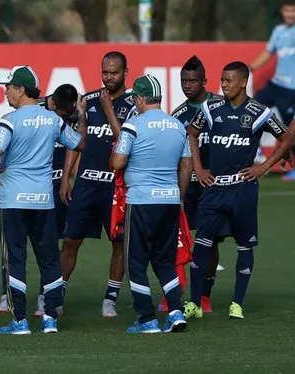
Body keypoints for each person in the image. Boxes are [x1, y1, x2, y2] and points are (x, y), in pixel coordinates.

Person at [184, 61, 293, 320]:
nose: (223, 85)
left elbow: (286, 136)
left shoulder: (258, 111)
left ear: (243, 82)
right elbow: (191, 133)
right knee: (201, 245)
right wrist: (198, 169)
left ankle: (236, 304)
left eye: (228, 80)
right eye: (221, 80)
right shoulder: (210, 108)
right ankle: (194, 304)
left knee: (244, 247)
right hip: (213, 188)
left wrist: (264, 166)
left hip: (243, 190)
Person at [0, 66, 86, 334]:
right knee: (50, 260)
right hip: (43, 200)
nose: (5, 91)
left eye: (8, 87)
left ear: (20, 90)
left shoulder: (10, 120)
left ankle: (19, 321)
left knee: (16, 260)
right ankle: (50, 318)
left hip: (14, 201)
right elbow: (77, 144)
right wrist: (83, 119)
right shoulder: (53, 120)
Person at [110, 74, 191, 333]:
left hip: (142, 200)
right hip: (169, 200)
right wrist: (179, 196)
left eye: (135, 97)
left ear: (142, 99)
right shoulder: (178, 125)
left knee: (136, 262)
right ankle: (176, 312)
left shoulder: (133, 125)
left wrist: (116, 156)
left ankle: (146, 319)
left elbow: (119, 162)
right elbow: (186, 165)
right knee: (165, 261)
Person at [59, 51, 135, 318]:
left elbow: (126, 142)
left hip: (116, 189)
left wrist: (108, 109)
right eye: (105, 72)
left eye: (114, 72)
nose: (109, 77)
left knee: (118, 243)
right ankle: (57, 295)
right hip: (86, 185)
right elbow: (76, 143)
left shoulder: (134, 105)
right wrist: (67, 177)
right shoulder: (88, 100)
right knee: (70, 240)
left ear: (126, 72)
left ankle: (111, 298)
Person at [159, 55, 228, 314]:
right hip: (187, 187)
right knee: (176, 240)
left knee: (210, 242)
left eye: (193, 80)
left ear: (204, 81)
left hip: (216, 186)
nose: (188, 85)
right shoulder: (178, 114)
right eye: (184, 81)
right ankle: (172, 295)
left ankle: (205, 296)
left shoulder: (221, 106)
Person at [250, 2, 295, 177]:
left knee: (289, 130)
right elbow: (268, 53)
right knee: (252, 108)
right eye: (287, 10)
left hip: (291, 90)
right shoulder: (278, 31)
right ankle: (256, 152)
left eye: (293, 10)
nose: (290, 14)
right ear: (282, 12)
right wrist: (251, 67)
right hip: (275, 85)